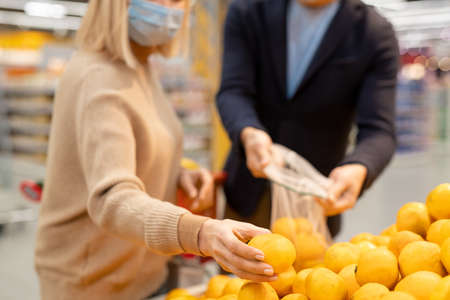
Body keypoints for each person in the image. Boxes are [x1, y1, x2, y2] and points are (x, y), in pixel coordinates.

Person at [34, 1, 277, 299]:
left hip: (138, 273)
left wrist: (176, 173)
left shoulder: (138, 67)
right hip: (93, 283)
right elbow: (111, 197)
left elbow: (132, 151)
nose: (169, 7)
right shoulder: (97, 77)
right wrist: (200, 232)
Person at [217, 0, 400, 235]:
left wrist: (359, 166)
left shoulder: (372, 32)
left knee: (313, 272)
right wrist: (248, 131)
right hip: (246, 192)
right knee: (235, 266)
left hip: (317, 201)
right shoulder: (248, 10)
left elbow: (379, 130)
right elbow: (233, 90)